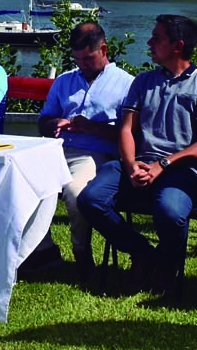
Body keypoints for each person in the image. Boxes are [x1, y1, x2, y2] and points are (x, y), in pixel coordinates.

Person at [77, 13, 197, 297]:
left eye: (157, 38)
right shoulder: (142, 82)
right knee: (90, 200)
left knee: (170, 212)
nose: (149, 42)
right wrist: (130, 165)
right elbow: (126, 130)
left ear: (177, 46)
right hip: (138, 163)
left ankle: (167, 265)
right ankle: (143, 253)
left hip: (182, 170)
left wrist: (162, 165)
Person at [33, 21, 134, 280]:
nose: (83, 65)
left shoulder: (127, 84)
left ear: (104, 49)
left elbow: (130, 134)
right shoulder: (65, 81)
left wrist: (91, 127)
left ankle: (81, 252)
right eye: (78, 60)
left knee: (76, 193)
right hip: (57, 149)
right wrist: (53, 123)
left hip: (97, 154)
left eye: (88, 59)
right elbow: (43, 121)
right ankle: (43, 250)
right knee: (23, 185)